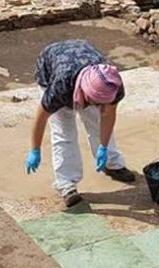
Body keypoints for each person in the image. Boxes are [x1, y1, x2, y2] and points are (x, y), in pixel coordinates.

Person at [24, 40, 136, 207]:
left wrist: (103, 147)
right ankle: (66, 184)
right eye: (94, 101)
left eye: (102, 103)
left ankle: (112, 164)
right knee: (64, 133)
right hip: (52, 68)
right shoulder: (60, 87)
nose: (98, 106)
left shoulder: (112, 84)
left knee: (97, 121)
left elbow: (108, 115)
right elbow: (41, 117)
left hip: (82, 63)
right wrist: (35, 150)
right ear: (84, 92)